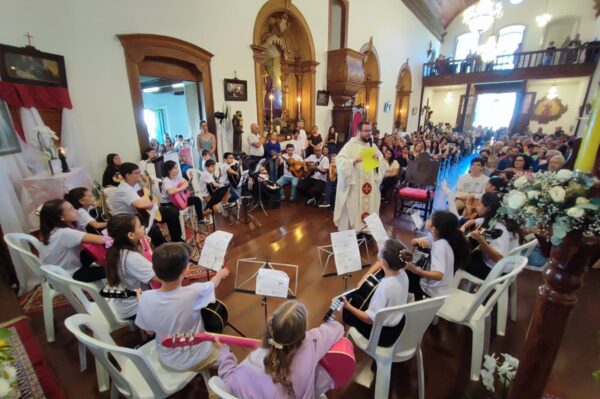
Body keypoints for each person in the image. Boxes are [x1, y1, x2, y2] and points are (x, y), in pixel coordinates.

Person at [217, 300, 344, 398]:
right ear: (302, 334)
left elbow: (228, 380)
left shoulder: (248, 364)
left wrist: (224, 354)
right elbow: (338, 329)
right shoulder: (310, 344)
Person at [135, 243, 230, 371]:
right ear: (186, 270)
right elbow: (212, 284)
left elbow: (149, 331)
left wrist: (142, 302)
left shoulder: (145, 298)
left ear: (154, 269)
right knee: (227, 352)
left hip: (167, 357)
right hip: (197, 357)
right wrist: (219, 275)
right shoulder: (194, 292)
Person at [342, 239, 408, 347]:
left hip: (383, 335)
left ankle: (344, 336)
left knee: (346, 311)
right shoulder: (403, 274)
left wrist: (348, 306)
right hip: (398, 324)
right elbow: (381, 262)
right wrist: (365, 276)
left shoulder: (384, 287)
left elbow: (369, 320)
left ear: (384, 262)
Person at [334, 121, 387, 232]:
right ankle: (355, 229)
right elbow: (339, 161)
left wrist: (378, 159)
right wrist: (354, 160)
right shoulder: (350, 145)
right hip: (356, 185)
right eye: (366, 131)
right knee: (355, 207)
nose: (369, 133)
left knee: (370, 206)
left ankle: (367, 228)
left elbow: (382, 163)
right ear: (358, 131)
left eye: (370, 130)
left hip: (370, 185)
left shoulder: (372, 145)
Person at [111, 162, 181, 245]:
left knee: (172, 212)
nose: (139, 175)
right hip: (127, 221)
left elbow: (143, 194)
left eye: (139, 172)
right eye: (136, 173)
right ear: (128, 176)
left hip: (140, 214)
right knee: (152, 227)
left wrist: (147, 182)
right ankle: (164, 248)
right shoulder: (124, 189)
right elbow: (140, 205)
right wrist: (153, 203)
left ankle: (177, 239)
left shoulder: (133, 184)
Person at [405, 211, 469, 300]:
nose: (427, 220)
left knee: (406, 276)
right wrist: (418, 241)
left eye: (430, 220)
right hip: (441, 289)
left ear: (433, 228)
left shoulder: (440, 246)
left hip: (432, 293)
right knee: (410, 272)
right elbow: (413, 242)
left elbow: (439, 275)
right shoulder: (441, 238)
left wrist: (416, 271)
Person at [105, 214, 158, 319]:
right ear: (131, 235)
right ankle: (151, 331)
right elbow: (161, 278)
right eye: (139, 226)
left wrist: (141, 251)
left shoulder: (116, 249)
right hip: (134, 308)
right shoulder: (132, 258)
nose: (143, 227)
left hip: (125, 302)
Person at [39, 199, 106, 282]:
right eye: (71, 209)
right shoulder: (65, 233)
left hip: (56, 272)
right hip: (68, 275)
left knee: (91, 250)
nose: (76, 211)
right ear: (61, 217)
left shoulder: (51, 230)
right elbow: (103, 240)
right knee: (114, 270)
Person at [461, 192, 520, 279]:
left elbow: (499, 259)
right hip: (498, 266)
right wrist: (463, 228)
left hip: (496, 271)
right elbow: (473, 221)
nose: (476, 206)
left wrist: (481, 241)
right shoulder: (495, 218)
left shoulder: (499, 228)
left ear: (488, 208)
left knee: (458, 260)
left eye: (479, 204)